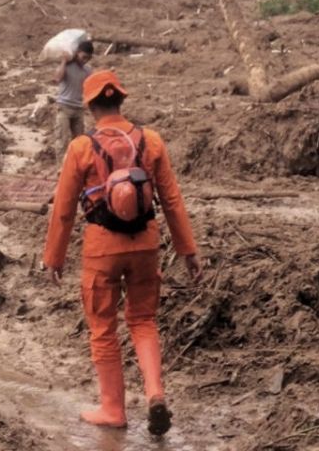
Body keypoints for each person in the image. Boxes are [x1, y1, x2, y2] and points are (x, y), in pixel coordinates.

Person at [43, 70, 203, 437]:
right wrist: (188, 250)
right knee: (143, 321)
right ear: (121, 101)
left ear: (89, 107)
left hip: (102, 249)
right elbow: (173, 200)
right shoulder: (152, 141)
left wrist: (54, 257)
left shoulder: (81, 147)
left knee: (103, 328)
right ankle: (155, 393)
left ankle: (113, 409)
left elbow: (64, 208)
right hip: (146, 244)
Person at [52, 39, 93, 149]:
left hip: (79, 109)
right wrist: (64, 61)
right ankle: (61, 165)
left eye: (88, 58)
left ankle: (78, 165)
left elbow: (90, 87)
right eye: (83, 57)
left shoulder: (88, 70)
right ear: (77, 52)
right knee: (62, 141)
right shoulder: (67, 66)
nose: (85, 60)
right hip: (64, 108)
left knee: (79, 143)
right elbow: (57, 78)